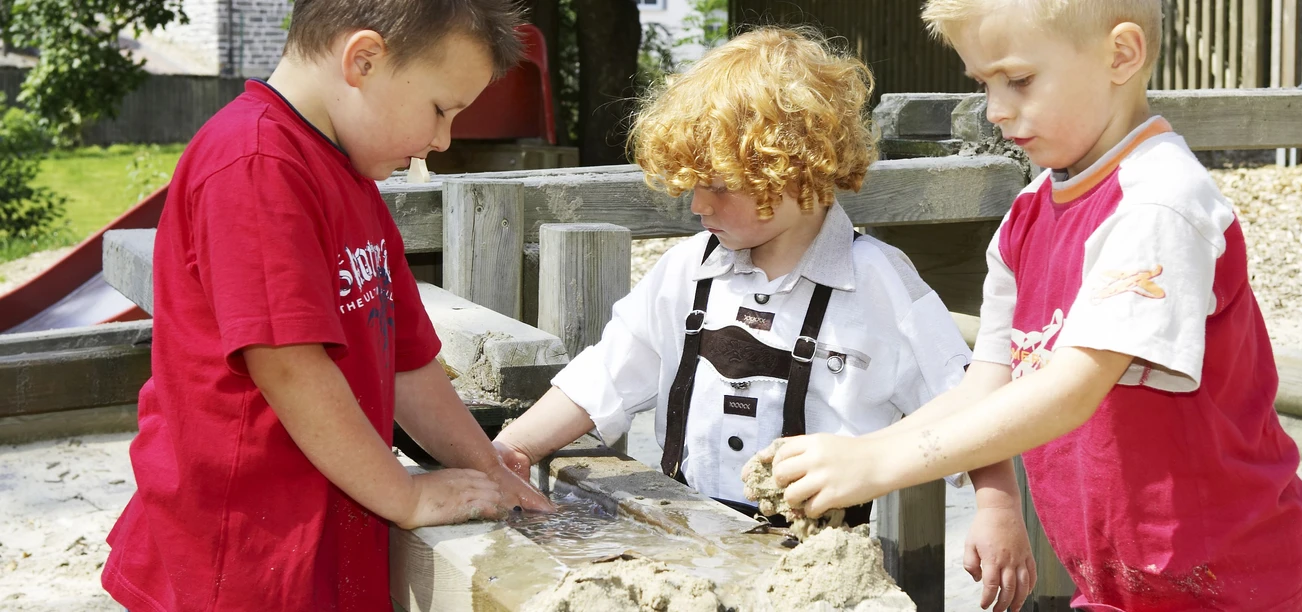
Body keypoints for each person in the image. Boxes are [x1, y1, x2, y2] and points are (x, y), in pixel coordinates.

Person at [759, 2, 1302, 611]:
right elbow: (988, 383)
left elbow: (1071, 389)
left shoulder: (1159, 203)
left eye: (1020, 80)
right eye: (984, 84)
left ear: (1121, 55)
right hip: (1121, 579)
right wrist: (872, 452)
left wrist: (880, 461)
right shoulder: (1030, 212)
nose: (996, 109)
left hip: (1232, 577)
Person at [492, 26, 1038, 612]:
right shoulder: (685, 274)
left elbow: (967, 405)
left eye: (720, 185)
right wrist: (515, 446)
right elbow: (604, 373)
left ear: (796, 169)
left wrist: (998, 509)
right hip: (685, 546)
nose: (699, 204)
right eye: (692, 185)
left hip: (815, 570)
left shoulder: (878, 283)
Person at [102, 1, 552, 610]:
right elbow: (288, 363)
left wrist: (487, 465)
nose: (441, 141)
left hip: (327, 527)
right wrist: (404, 495)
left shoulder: (353, 178)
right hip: (240, 551)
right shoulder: (255, 164)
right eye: (441, 110)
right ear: (363, 59)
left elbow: (409, 362)